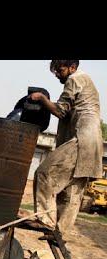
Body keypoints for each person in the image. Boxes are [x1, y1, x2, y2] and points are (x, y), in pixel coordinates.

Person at [30, 60, 103, 234]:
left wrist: (41, 98)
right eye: (55, 71)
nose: (57, 74)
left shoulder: (74, 79)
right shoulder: (86, 81)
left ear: (72, 68)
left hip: (83, 139)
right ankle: (60, 231)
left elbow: (60, 111)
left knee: (43, 173)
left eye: (60, 70)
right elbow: (68, 113)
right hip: (93, 143)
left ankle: (45, 219)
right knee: (72, 191)